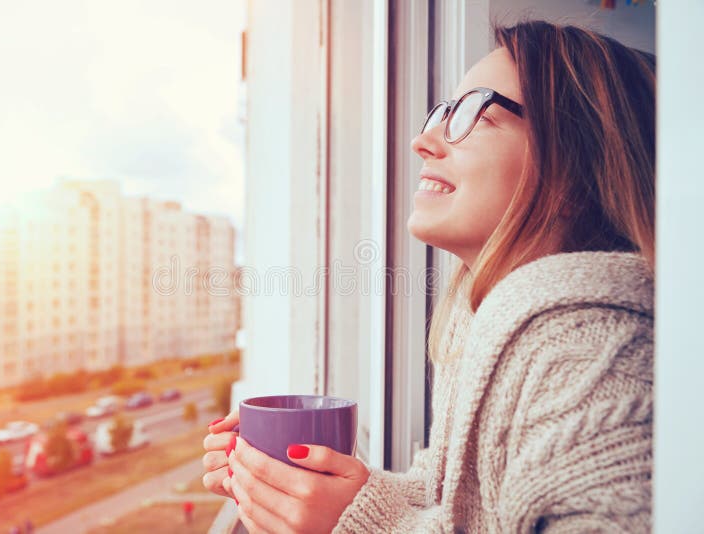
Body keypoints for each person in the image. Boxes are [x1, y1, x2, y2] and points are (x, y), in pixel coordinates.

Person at [202, 19, 655, 533]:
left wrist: (368, 526)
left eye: (471, 112)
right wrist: (306, 492)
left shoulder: (590, 354)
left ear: (576, 164)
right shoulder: (483, 321)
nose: (422, 141)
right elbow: (462, 507)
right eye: (441, 112)